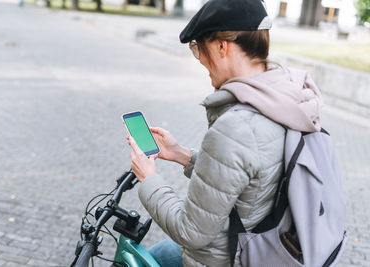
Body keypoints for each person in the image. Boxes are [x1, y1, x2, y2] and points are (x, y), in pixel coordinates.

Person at [126, 0, 323, 266]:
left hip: (229, 257)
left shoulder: (236, 126)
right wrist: (182, 154)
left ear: (221, 46)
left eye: (198, 48)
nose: (201, 61)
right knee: (161, 253)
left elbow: (190, 232)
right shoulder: (284, 98)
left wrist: (149, 178)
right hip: (266, 241)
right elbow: (250, 177)